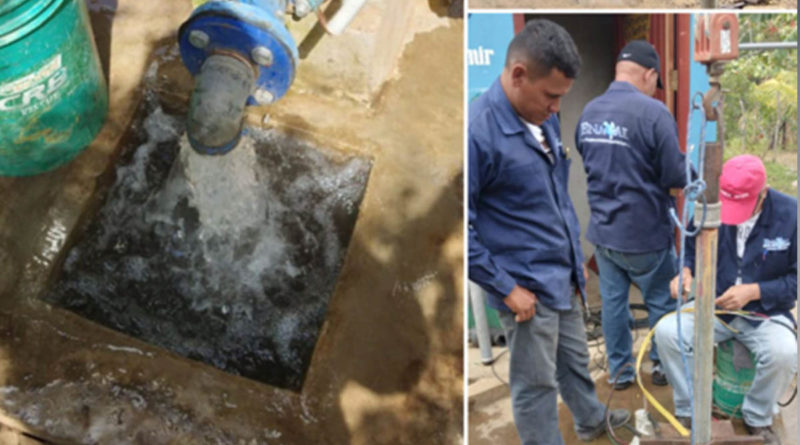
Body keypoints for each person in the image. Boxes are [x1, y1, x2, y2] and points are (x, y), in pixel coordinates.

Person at [468, 19, 629, 445]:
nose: (558, 107)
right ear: (518, 75)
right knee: (536, 387)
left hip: (562, 276)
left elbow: (555, 195)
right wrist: (505, 288)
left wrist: (576, 265)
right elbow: (458, 227)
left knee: (574, 361)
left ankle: (592, 420)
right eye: (552, 95)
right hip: (525, 290)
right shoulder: (478, 133)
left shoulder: (543, 119)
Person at [655, 155, 797, 445]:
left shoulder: (791, 214)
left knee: (784, 353)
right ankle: (689, 408)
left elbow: (793, 284)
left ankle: (757, 417)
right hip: (715, 307)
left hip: (763, 313)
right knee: (667, 333)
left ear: (764, 192)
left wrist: (754, 291)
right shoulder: (710, 205)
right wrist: (684, 272)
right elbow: (692, 252)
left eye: (743, 207)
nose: (735, 215)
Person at [574, 40, 687, 389]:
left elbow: (585, 154)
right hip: (645, 236)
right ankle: (662, 367)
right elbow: (675, 176)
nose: (655, 88)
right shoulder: (654, 113)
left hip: (605, 235)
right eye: (656, 81)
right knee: (660, 303)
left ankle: (621, 372)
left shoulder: (590, 111)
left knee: (613, 305)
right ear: (649, 73)